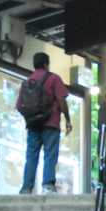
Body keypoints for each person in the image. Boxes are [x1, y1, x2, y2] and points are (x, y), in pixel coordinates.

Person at [17, 52, 71, 194]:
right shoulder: (53, 78)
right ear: (47, 64)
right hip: (51, 123)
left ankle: (26, 188)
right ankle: (47, 185)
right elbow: (61, 100)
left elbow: (19, 106)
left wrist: (31, 117)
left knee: (31, 156)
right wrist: (68, 119)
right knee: (50, 154)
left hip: (33, 126)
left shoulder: (27, 82)